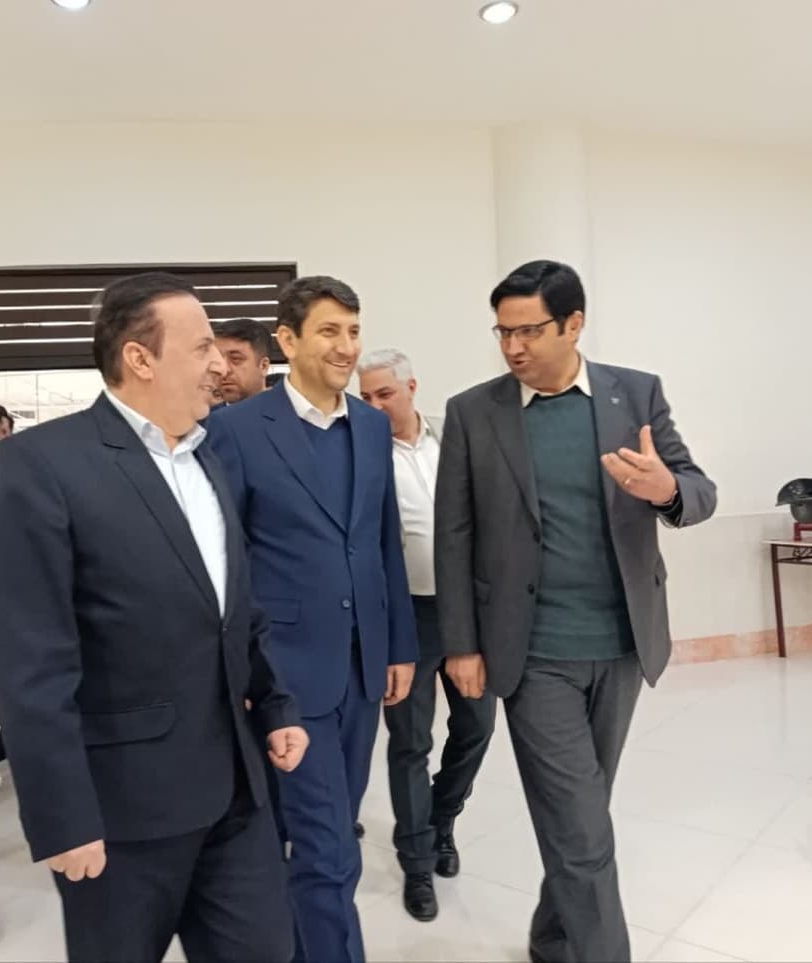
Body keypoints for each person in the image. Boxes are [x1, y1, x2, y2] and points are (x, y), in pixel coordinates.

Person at [0, 272, 306, 963]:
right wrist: (62, 815)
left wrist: (275, 704)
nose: (220, 364)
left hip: (235, 790)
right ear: (140, 358)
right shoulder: (40, 464)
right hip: (121, 810)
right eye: (202, 347)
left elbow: (233, 606)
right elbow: (30, 659)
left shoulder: (209, 455)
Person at [435, 260, 717, 963]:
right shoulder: (474, 412)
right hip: (533, 653)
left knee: (580, 817)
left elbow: (699, 490)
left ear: (574, 324)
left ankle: (551, 936)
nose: (513, 348)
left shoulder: (635, 394)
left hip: (622, 645)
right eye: (502, 333)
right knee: (582, 829)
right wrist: (460, 643)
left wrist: (665, 489)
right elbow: (454, 534)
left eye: (529, 331)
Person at [207, 276, 418, 963]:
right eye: (329, 331)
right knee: (328, 851)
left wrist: (399, 644)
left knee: (324, 830)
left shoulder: (370, 425)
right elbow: (228, 562)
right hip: (286, 673)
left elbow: (382, 542)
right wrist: (241, 670)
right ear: (288, 340)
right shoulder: (238, 430)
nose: (346, 347)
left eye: (353, 331)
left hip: (361, 669)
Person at [358, 348, 496, 923]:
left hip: (467, 613)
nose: (374, 407)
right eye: (365, 397)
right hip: (405, 618)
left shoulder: (453, 441)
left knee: (477, 727)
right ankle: (417, 862)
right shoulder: (362, 454)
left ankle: (443, 819)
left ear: (411, 388)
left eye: (384, 394)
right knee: (410, 742)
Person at [214, 318, 274, 404]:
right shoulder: (202, 411)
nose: (223, 370)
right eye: (217, 359)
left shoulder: (288, 408)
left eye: (235, 359)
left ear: (264, 366)